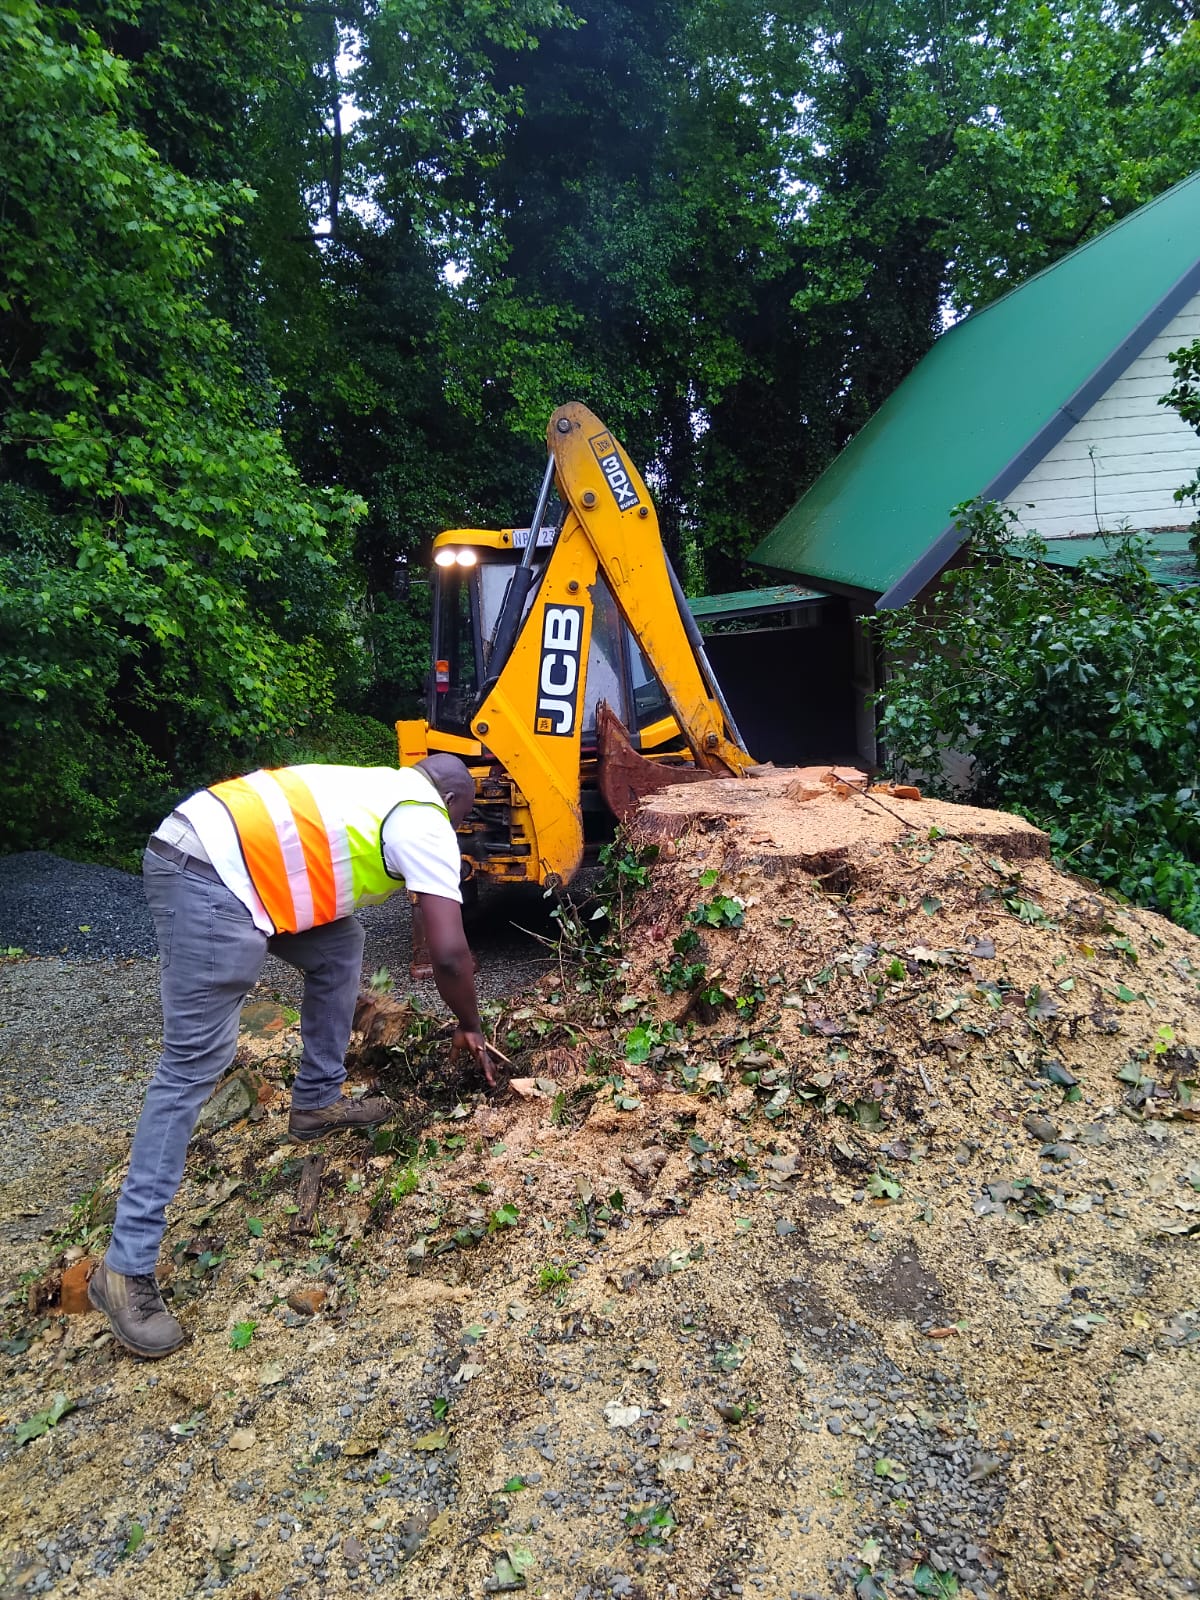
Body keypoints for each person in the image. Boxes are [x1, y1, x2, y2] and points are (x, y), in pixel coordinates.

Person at [89, 754, 492, 1358]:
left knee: (339, 944)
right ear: (456, 804)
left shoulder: (380, 788)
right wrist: (470, 1024)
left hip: (218, 856)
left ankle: (316, 1101)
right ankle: (126, 1264)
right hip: (206, 873)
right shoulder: (425, 818)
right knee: (192, 1064)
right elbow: (451, 955)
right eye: (460, 819)